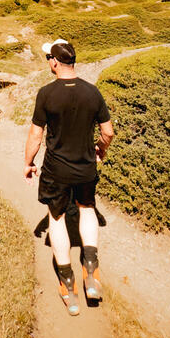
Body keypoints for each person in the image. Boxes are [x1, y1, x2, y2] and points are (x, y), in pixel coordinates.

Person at [24, 37, 114, 316]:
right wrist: (100, 149)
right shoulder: (92, 92)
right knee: (87, 209)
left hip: (57, 170)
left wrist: (28, 162)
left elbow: (36, 135)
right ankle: (91, 271)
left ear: (54, 62)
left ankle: (67, 284)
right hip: (86, 167)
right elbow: (108, 131)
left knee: (58, 217)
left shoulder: (47, 94)